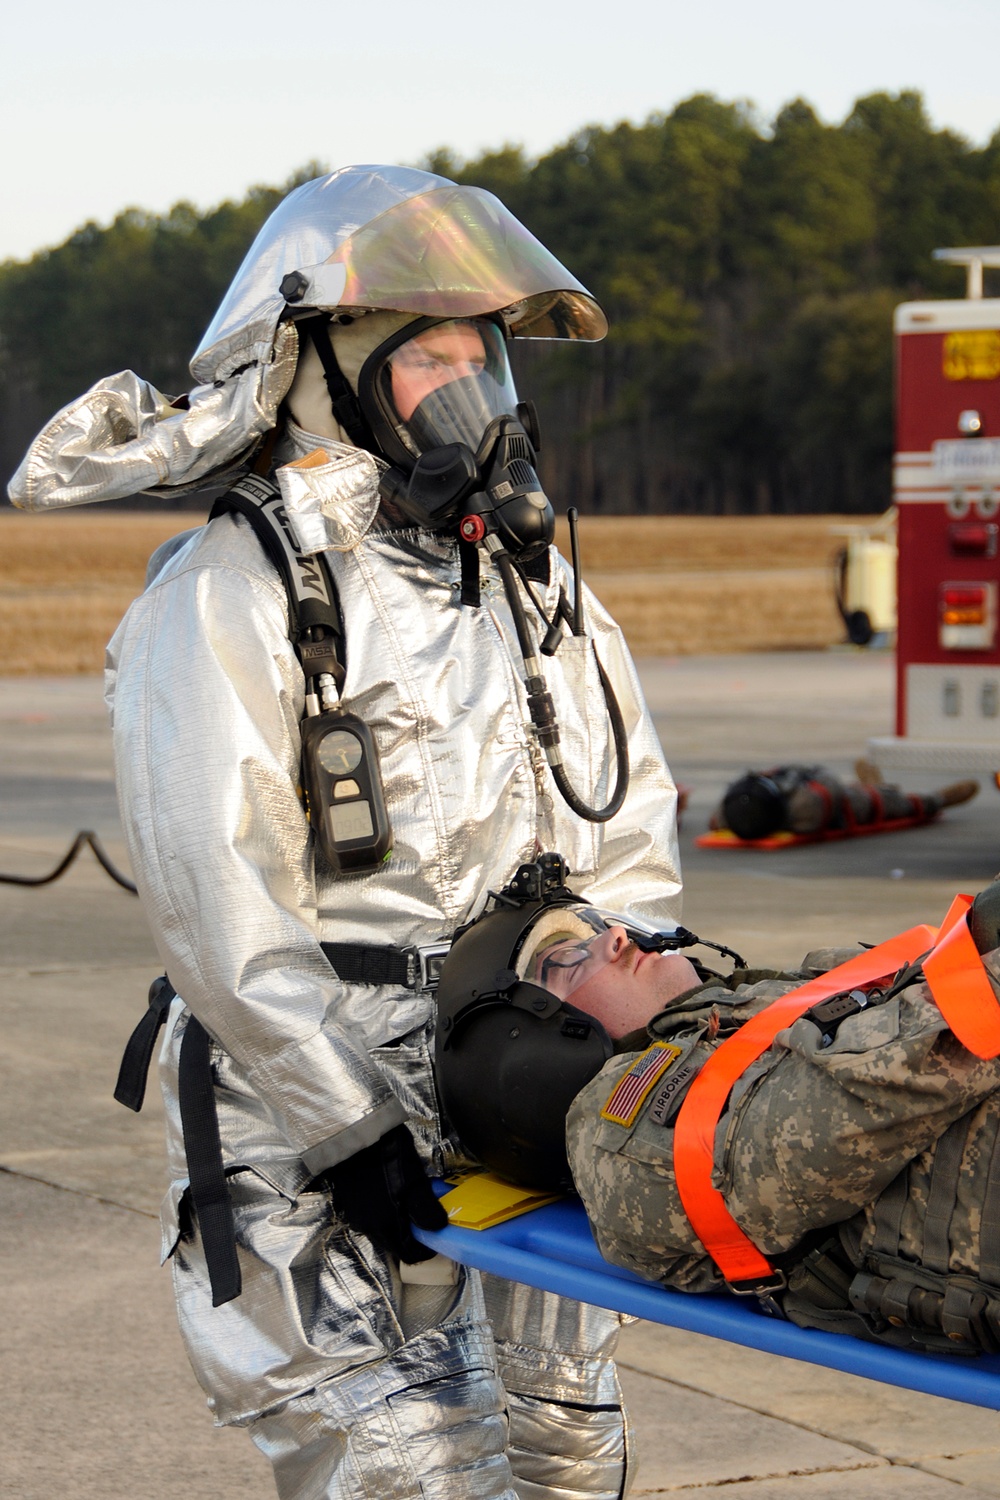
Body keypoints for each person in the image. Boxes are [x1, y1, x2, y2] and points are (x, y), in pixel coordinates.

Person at [8, 166, 682, 1500]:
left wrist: (632, 1039)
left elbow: (627, 831)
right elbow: (219, 895)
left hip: (520, 1090)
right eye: (425, 359)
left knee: (567, 1449)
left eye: (479, 358)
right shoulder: (229, 591)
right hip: (312, 1129)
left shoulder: (538, 588)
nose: (468, 392)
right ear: (322, 370)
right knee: (408, 1471)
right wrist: (347, 1126)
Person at [433, 862, 1000, 1355]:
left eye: (597, 928)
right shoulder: (614, 1139)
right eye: (566, 961)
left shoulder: (743, 1014)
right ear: (535, 1059)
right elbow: (894, 1079)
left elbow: (952, 965)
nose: (614, 938)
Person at [712, 762, 978, 841]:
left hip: (833, 797)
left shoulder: (734, 809)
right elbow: (831, 783)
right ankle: (939, 799)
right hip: (853, 804)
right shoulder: (804, 805)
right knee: (897, 803)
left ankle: (876, 782)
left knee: (877, 793)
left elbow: (717, 818)